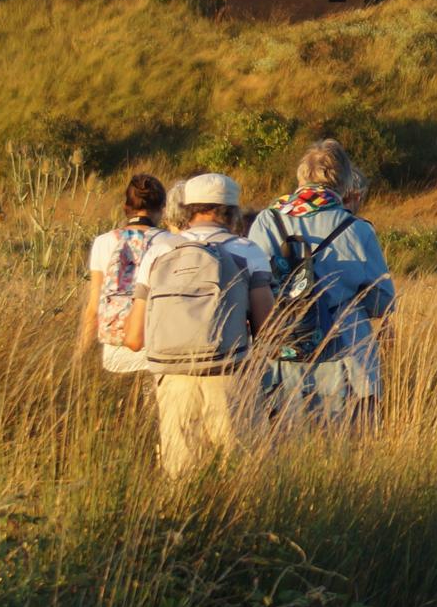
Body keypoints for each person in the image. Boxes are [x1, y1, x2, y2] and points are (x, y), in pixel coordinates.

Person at [120, 173, 274, 477]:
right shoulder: (248, 252)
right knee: (238, 480)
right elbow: (268, 329)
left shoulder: (159, 252)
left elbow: (134, 337)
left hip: (174, 381)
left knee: (181, 482)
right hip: (230, 379)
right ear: (232, 212)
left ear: (188, 210)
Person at [249, 138, 397, 425]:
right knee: (350, 446)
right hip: (346, 353)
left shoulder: (266, 221)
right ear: (343, 182)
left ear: (301, 177)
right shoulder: (356, 228)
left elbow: (252, 283)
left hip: (282, 351)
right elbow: (382, 302)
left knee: (284, 446)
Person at [79, 174, 166, 378]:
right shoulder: (171, 243)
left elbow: (94, 307)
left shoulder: (103, 242)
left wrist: (80, 356)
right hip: (157, 354)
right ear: (162, 208)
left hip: (115, 357)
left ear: (125, 206)